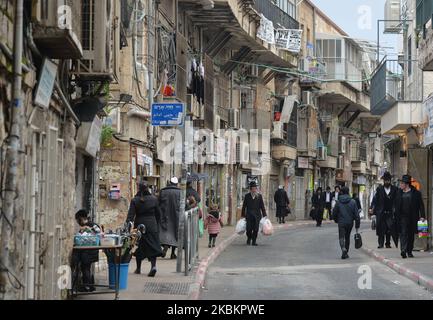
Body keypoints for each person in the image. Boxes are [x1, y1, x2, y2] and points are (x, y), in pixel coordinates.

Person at [127, 181, 163, 277]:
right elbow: (158, 214)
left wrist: (128, 226)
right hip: (152, 225)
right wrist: (157, 224)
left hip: (139, 225)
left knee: (139, 246)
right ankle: (153, 266)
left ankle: (138, 268)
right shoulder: (154, 199)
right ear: (148, 189)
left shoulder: (135, 200)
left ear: (139, 188)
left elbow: (130, 215)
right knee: (152, 246)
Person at [395, 175, 426, 259]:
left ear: (406, 184)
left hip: (412, 217)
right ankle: (403, 251)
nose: (400, 185)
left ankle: (409, 251)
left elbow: (421, 205)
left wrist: (422, 216)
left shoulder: (416, 193)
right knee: (403, 233)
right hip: (402, 217)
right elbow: (396, 205)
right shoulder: (399, 193)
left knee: (411, 235)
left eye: (402, 183)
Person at [71, 210, 101, 292]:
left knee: (85, 268)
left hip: (88, 252)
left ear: (81, 218)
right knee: (87, 268)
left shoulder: (90, 226)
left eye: (78, 220)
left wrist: (86, 230)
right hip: (92, 252)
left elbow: (98, 235)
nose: (78, 222)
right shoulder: (93, 225)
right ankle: (90, 286)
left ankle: (87, 287)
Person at [369, 172, 398, 249]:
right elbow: (375, 200)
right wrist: (372, 208)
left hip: (390, 213)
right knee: (381, 229)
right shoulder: (379, 189)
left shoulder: (395, 189)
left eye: (388, 180)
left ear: (390, 181)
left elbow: (397, 200)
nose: (387, 182)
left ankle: (388, 243)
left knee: (389, 229)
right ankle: (380, 244)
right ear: (383, 181)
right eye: (385, 180)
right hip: (381, 213)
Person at [332, 187, 361, 259]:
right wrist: (357, 225)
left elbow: (334, 213)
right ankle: (346, 252)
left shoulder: (338, 202)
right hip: (350, 222)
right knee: (347, 237)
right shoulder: (353, 202)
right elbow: (357, 215)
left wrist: (336, 220)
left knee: (341, 236)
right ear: (348, 192)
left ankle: (343, 249)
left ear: (341, 192)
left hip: (341, 222)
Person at [159, 177, 181, 259]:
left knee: (166, 232)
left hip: (165, 215)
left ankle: (165, 246)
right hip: (176, 216)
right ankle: (172, 253)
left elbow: (159, 202)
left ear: (170, 183)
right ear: (176, 184)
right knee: (175, 233)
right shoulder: (180, 192)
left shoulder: (163, 191)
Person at [241, 181, 267, 246]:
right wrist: (242, 215)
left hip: (257, 216)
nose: (254, 190)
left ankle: (254, 241)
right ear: (250, 189)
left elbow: (262, 206)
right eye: (253, 188)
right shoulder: (247, 196)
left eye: (255, 188)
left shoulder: (259, 196)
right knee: (248, 229)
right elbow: (244, 206)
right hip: (249, 215)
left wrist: (264, 215)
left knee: (256, 229)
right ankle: (249, 238)